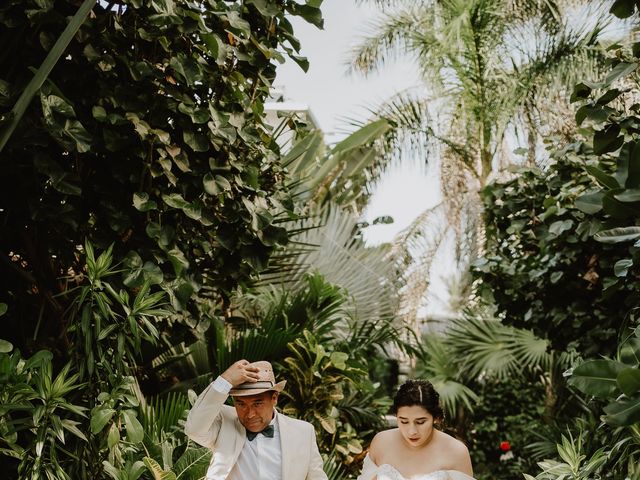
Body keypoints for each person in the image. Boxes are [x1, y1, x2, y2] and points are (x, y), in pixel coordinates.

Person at [185, 359, 328, 480]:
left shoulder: (303, 431)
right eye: (241, 404)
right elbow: (194, 429)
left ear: (274, 398)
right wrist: (226, 379)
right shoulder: (224, 422)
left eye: (257, 404)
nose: (250, 414)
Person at [357, 379, 474, 480]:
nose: (411, 431)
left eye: (420, 422)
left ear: (436, 418)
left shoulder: (456, 452)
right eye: (404, 421)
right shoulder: (381, 442)